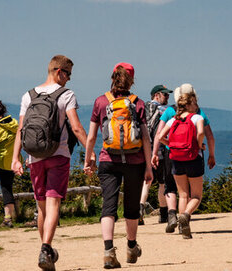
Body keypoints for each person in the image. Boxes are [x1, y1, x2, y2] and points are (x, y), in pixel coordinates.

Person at [11, 54, 91, 271]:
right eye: (68, 74)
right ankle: (46, 249)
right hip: (59, 155)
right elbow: (76, 128)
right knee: (53, 203)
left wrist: (15, 158)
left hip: (34, 157)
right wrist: (90, 152)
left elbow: (21, 129)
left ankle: (45, 250)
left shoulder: (28, 96)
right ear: (59, 72)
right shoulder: (67, 95)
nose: (69, 79)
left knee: (42, 207)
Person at [84, 62, 153, 269]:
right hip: (135, 162)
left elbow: (91, 137)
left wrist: (88, 160)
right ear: (131, 80)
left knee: (109, 206)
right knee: (131, 206)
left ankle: (108, 252)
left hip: (108, 160)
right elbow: (146, 138)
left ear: (113, 78)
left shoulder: (100, 102)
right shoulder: (138, 103)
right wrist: (149, 167)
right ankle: (131, 246)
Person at [152, 83, 215, 233]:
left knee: (182, 194)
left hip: (175, 157)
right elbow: (203, 134)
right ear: (190, 103)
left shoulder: (172, 118)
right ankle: (185, 216)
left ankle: (181, 227)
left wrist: (171, 144)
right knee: (196, 196)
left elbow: (160, 136)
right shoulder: (197, 117)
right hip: (193, 157)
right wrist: (199, 145)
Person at [138, 84, 174, 226]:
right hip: (161, 150)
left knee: (146, 181)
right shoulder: (165, 111)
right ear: (156, 95)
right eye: (165, 94)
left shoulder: (143, 108)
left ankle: (140, 209)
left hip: (144, 150)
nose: (167, 97)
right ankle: (164, 214)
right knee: (162, 183)